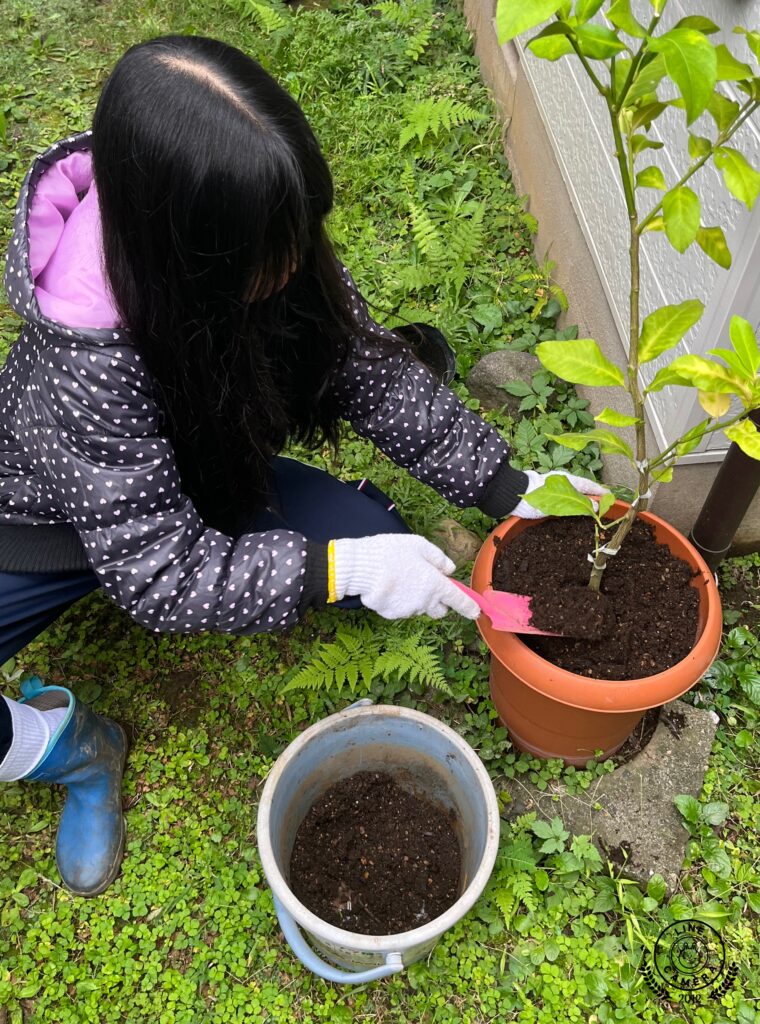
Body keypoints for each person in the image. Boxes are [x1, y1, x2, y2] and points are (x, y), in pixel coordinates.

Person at [0, 35, 601, 896]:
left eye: (298, 233)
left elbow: (364, 367)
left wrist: (506, 487)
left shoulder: (247, 226)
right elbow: (159, 573)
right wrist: (334, 567)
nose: (293, 263)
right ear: (184, 250)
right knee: (328, 559)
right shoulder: (85, 360)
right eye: (267, 251)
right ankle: (68, 750)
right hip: (40, 522)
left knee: (370, 539)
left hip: (205, 475)